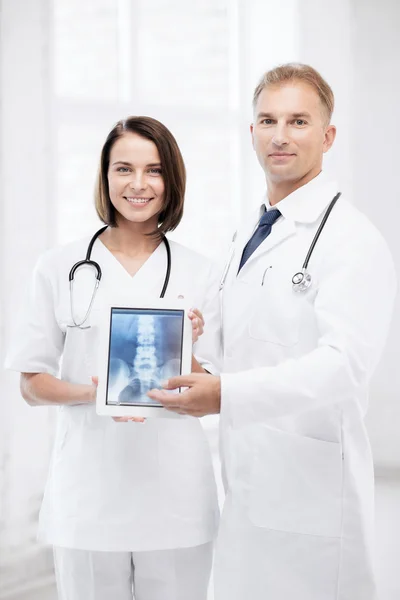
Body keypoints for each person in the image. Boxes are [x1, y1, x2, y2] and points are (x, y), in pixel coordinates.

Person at [148, 64, 397, 600]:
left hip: (312, 494)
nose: (280, 135)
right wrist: (193, 356)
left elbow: (345, 365)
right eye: (268, 120)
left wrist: (227, 393)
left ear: (328, 136)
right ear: (252, 133)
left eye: (299, 121)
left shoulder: (352, 240)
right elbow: (225, 342)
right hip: (247, 485)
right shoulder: (248, 231)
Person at [5, 116, 221, 600]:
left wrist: (190, 353)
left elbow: (216, 388)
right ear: (105, 177)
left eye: (155, 170)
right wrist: (96, 392)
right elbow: (31, 383)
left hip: (175, 494)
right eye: (124, 169)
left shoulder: (202, 272)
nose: (139, 184)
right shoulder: (59, 267)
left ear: (172, 181)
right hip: (90, 491)